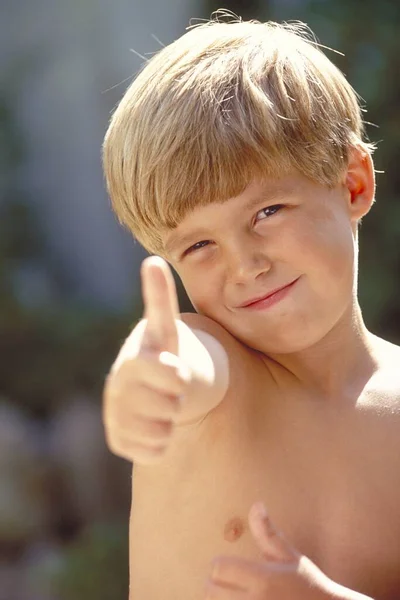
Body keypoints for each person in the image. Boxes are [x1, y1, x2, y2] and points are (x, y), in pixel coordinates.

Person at [101, 13, 400, 600]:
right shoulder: (217, 382)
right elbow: (185, 362)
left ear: (354, 184)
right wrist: (148, 376)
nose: (245, 266)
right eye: (199, 245)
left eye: (267, 212)